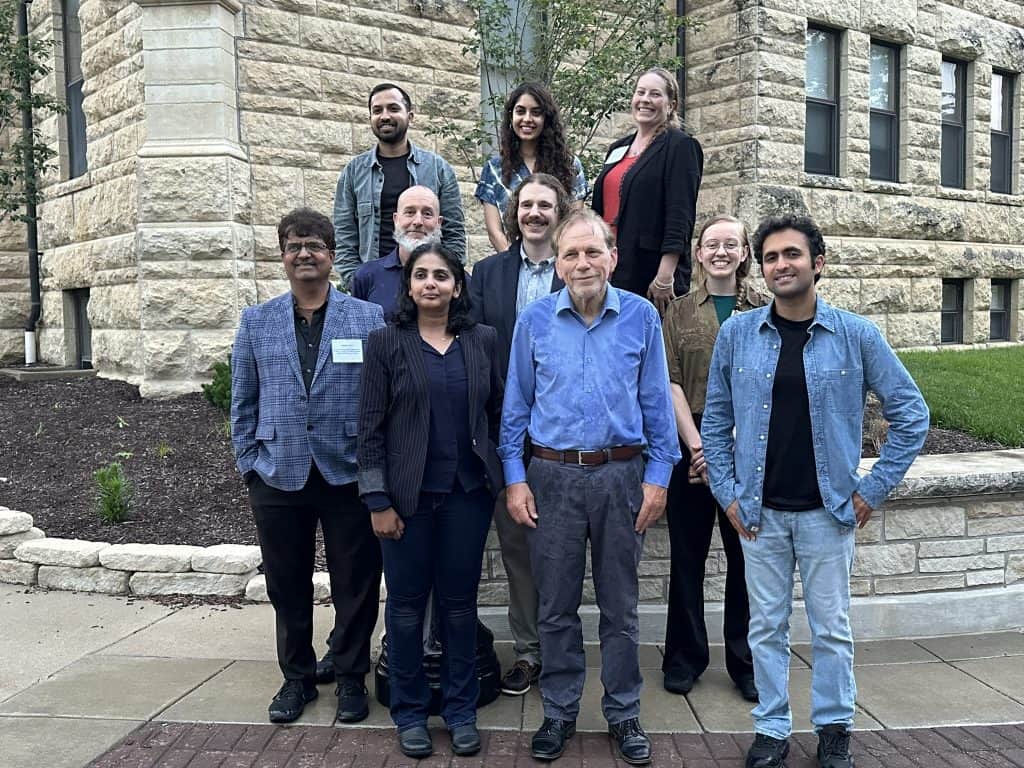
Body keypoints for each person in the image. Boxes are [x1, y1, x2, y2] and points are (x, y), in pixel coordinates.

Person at [701, 215, 929, 768]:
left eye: (793, 255)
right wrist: (728, 495)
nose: (782, 265)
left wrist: (871, 491)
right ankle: (772, 729)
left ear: (817, 263)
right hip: (759, 514)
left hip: (828, 514)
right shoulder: (737, 333)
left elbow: (911, 414)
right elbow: (715, 422)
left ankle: (834, 730)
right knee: (766, 629)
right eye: (773, 257)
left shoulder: (855, 335)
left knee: (832, 630)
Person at [500, 209, 680, 765]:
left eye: (592, 252)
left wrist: (658, 478)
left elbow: (656, 404)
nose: (583, 263)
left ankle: (623, 712)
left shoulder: (641, 318)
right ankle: (558, 710)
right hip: (550, 477)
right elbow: (515, 407)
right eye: (571, 254)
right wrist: (515, 479)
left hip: (622, 476)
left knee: (620, 607)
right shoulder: (533, 321)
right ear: (557, 263)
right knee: (555, 605)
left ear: (613, 257)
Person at [231, 208, 385, 725]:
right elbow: (243, 399)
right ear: (282, 257)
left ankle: (348, 677)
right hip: (278, 473)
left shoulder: (366, 319)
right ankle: (295, 679)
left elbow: (379, 401)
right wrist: (249, 463)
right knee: (287, 584)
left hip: (347, 473)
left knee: (356, 584)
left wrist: (374, 466)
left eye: (314, 245)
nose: (304, 254)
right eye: (294, 246)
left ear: (331, 255)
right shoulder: (257, 321)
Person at [357, 243, 504, 759]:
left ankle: (461, 711)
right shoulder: (385, 344)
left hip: (466, 497)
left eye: (441, 275)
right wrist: (377, 498)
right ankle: (411, 711)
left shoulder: (481, 341)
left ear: (457, 286)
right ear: (409, 286)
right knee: (404, 609)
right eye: (421, 275)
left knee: (460, 609)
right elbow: (369, 429)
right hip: (405, 502)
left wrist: (502, 480)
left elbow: (498, 413)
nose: (431, 284)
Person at [468, 172, 570, 694]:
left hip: (564, 437)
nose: (534, 213)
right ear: (514, 214)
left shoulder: (577, 270)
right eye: (526, 204)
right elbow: (474, 347)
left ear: (559, 212)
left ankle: (561, 650)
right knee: (518, 551)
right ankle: (530, 652)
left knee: (564, 549)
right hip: (501, 436)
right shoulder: (485, 275)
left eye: (544, 205)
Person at [660, 215, 766, 703]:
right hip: (693, 441)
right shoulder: (677, 312)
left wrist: (736, 446)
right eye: (711, 244)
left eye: (731, 244)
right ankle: (684, 658)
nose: (721, 252)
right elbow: (670, 380)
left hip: (753, 446)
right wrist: (698, 447)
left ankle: (745, 662)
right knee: (687, 558)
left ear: (744, 253)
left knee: (746, 561)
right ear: (698, 254)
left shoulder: (766, 309)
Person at [591, 67, 703, 314]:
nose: (645, 100)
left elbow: (680, 216)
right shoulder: (617, 148)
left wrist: (665, 275)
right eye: (640, 92)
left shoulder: (680, 146)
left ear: (671, 104)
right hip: (609, 267)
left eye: (655, 94)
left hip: (649, 273)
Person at [333, 82, 465, 289]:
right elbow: (344, 236)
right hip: (375, 286)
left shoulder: (438, 168)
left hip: (428, 285)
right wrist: (357, 282)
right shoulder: (353, 172)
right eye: (377, 111)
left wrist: (444, 277)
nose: (385, 116)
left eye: (393, 108)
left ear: (410, 116)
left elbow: (454, 232)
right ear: (370, 119)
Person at [475, 82, 588, 253]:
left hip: (559, 265)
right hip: (512, 264)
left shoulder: (570, 166)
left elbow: (572, 224)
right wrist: (517, 265)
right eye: (520, 111)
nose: (527, 119)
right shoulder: (493, 169)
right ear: (511, 116)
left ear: (546, 119)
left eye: (536, 112)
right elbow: (495, 232)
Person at [350, 185, 443, 319]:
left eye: (427, 214)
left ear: (439, 223)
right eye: (410, 212)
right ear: (396, 219)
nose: (418, 221)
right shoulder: (366, 276)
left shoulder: (456, 279)